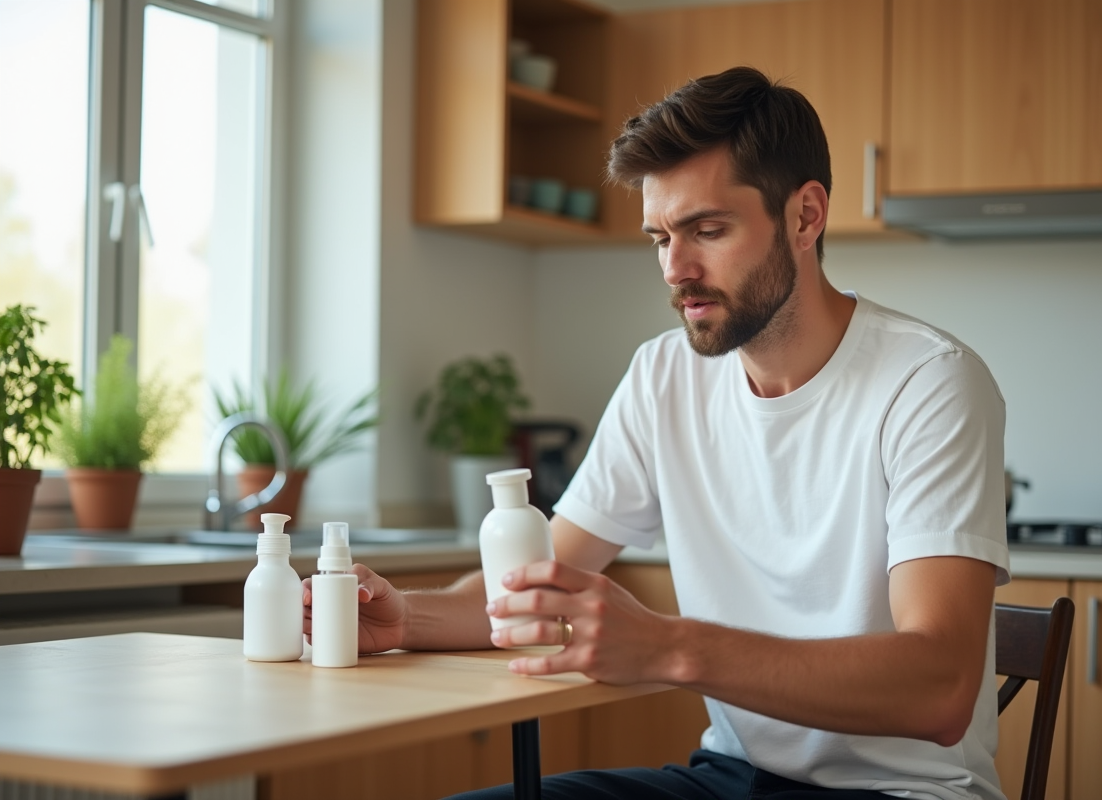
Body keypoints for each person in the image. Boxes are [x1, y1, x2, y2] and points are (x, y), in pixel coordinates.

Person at [304, 66, 1010, 800]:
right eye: (660, 238)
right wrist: (404, 617)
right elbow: (535, 581)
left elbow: (940, 688)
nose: (677, 269)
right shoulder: (663, 376)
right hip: (729, 778)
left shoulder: (929, 382)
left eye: (708, 230)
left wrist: (671, 645)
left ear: (805, 217)